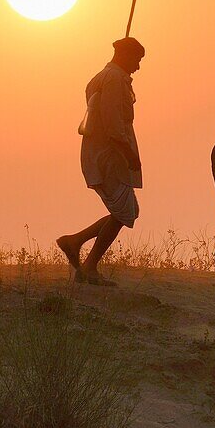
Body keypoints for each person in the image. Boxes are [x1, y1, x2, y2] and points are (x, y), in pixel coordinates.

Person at [57, 37, 145, 286]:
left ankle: (75, 243)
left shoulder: (103, 77)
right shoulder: (114, 80)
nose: (137, 67)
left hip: (105, 152)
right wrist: (129, 155)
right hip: (110, 155)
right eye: (136, 60)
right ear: (125, 56)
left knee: (128, 211)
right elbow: (114, 125)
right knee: (124, 211)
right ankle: (89, 264)